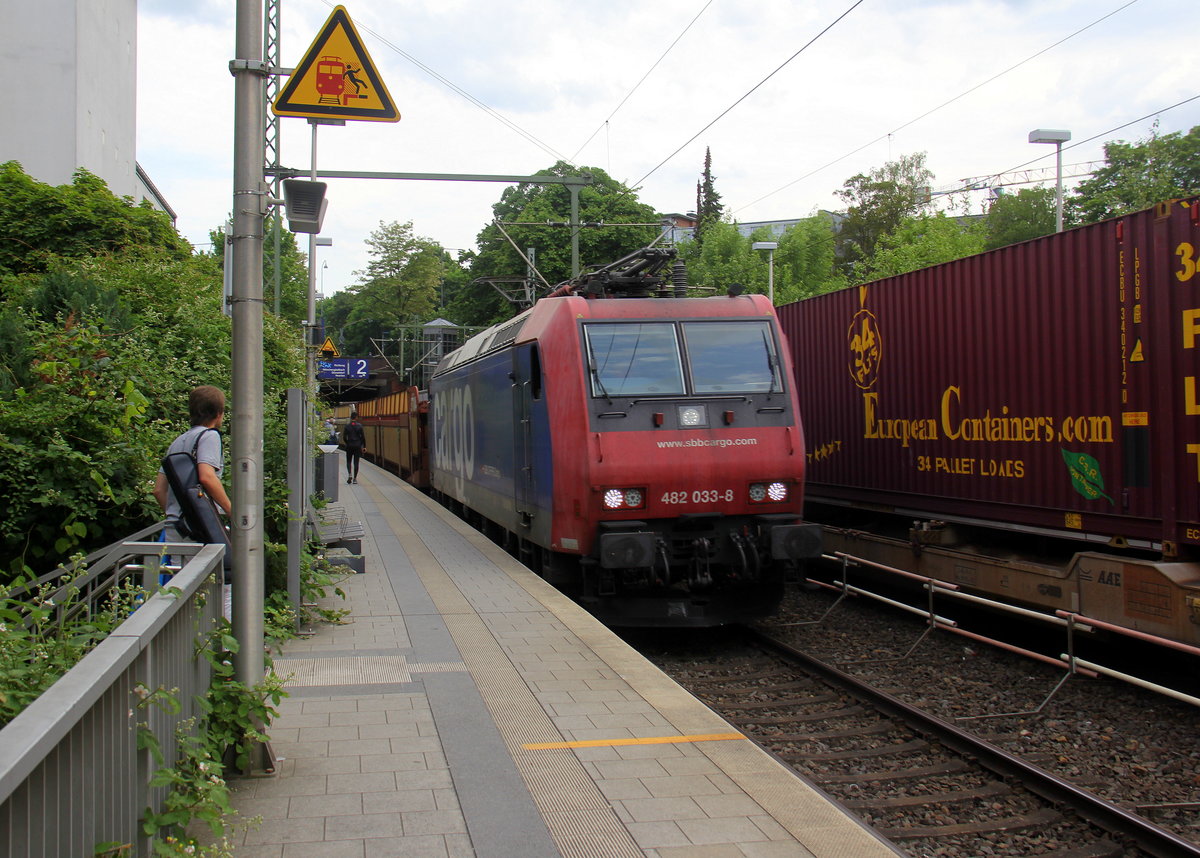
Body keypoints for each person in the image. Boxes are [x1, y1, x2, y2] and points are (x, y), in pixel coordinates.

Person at [153, 386, 232, 540]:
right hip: (199, 526)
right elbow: (207, 477)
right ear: (218, 413)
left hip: (176, 526)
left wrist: (175, 515)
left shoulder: (177, 442)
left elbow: (158, 490)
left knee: (180, 565)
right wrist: (232, 512)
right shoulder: (210, 436)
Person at [342, 411, 365, 484]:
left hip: (349, 445)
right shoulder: (360, 426)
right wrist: (363, 446)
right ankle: (355, 479)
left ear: (351, 417)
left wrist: (347, 442)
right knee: (356, 462)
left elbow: (344, 437)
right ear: (356, 417)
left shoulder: (347, 426)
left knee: (348, 461)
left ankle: (349, 475)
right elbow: (363, 437)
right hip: (357, 446)